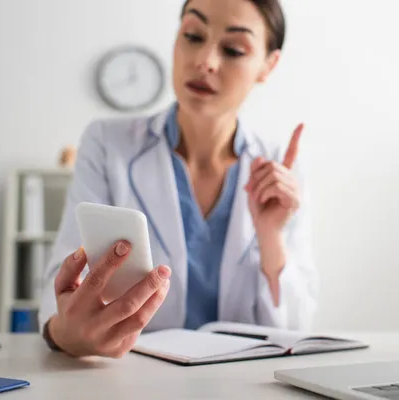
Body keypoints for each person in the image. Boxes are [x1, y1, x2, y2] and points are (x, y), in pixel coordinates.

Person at [38, 0, 319, 358]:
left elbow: (294, 330)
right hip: (132, 376)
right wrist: (66, 332)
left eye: (233, 49)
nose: (205, 61)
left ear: (269, 65)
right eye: (193, 35)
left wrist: (271, 237)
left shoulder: (281, 168)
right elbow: (59, 287)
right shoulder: (109, 144)